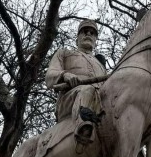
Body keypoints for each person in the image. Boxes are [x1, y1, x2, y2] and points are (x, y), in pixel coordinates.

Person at [44, 19, 107, 147]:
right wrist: (64, 75)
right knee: (87, 90)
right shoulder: (65, 53)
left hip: (98, 102)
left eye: (92, 33)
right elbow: (49, 76)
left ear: (95, 40)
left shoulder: (100, 65)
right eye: (84, 31)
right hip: (70, 100)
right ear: (77, 38)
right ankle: (83, 128)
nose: (88, 34)